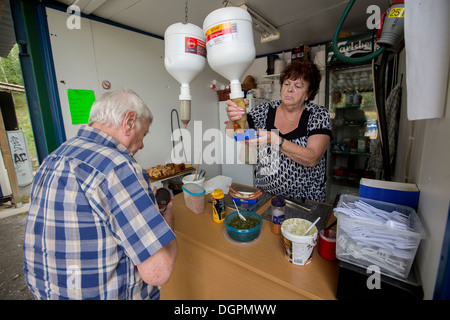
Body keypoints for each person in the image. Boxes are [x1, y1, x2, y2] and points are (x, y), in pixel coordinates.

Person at [23, 89, 177, 300]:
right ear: (130, 121)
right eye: (145, 133)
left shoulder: (53, 158)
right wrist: (166, 217)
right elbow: (158, 271)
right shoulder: (118, 167)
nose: (142, 144)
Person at [226, 60, 332, 202]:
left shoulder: (318, 114)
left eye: (298, 86)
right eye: (287, 84)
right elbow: (239, 135)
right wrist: (234, 119)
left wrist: (276, 141)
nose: (289, 89)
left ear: (309, 93)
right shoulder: (264, 110)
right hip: (266, 196)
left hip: (306, 200)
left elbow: (312, 158)